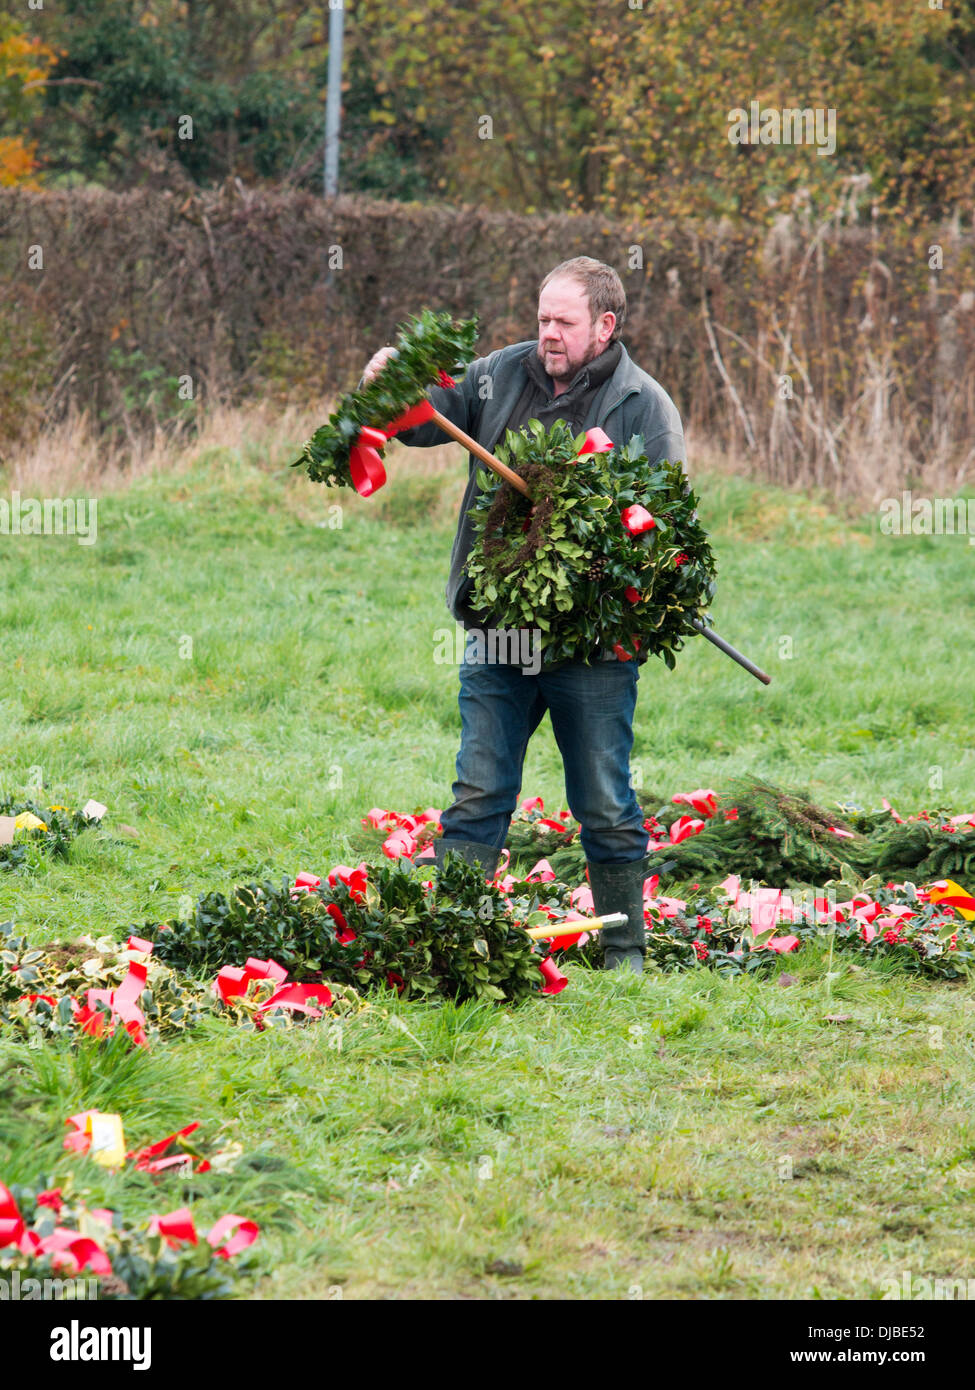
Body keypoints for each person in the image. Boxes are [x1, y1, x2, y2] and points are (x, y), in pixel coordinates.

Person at [362, 257, 686, 972]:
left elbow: (664, 531)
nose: (547, 334)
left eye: (563, 323)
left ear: (604, 325)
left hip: (593, 647)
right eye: (541, 319)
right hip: (499, 632)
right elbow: (426, 419)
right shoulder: (499, 375)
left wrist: (599, 532)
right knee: (478, 791)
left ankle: (623, 952)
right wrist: (390, 388)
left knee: (603, 802)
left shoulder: (642, 406)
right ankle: (454, 941)